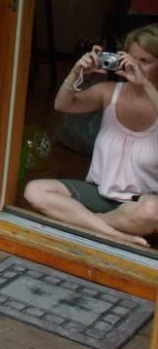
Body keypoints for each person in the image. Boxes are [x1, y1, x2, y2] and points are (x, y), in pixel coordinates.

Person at [24, 24, 158, 247]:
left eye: (145, 61)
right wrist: (75, 73)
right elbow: (62, 104)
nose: (136, 67)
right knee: (35, 190)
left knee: (151, 211)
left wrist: (144, 85)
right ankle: (116, 234)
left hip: (142, 202)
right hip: (100, 193)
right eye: (132, 59)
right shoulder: (108, 92)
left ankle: (90, 224)